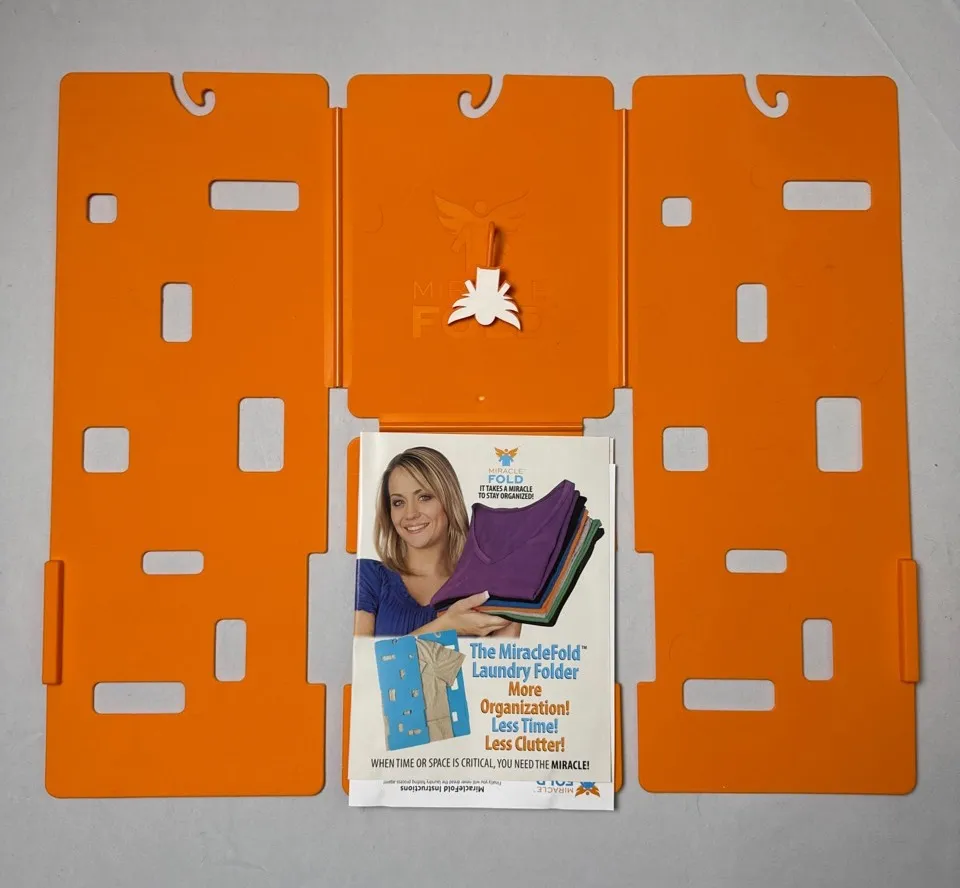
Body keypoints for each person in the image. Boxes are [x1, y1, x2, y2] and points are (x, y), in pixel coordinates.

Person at [353, 446, 521, 638]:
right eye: (398, 502)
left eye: (424, 497)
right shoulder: (368, 577)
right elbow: (362, 658)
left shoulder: (485, 586)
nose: (410, 514)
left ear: (449, 501)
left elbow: (502, 657)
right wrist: (445, 626)